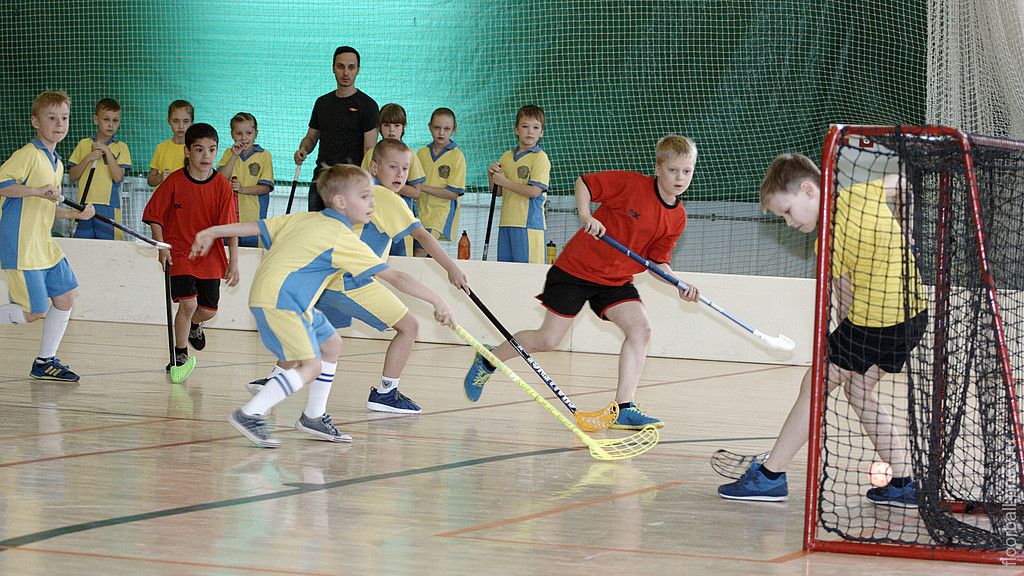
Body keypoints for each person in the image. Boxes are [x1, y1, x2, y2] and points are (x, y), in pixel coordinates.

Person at [190, 164, 455, 447]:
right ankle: (251, 413)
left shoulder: (305, 219)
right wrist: (437, 299)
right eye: (365, 197)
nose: (372, 203)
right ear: (340, 202)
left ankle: (313, 417)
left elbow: (256, 226)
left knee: (331, 344)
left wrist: (212, 231)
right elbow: (397, 277)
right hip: (282, 300)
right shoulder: (341, 237)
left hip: (282, 297)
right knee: (312, 366)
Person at [717, 153, 927, 506]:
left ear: (807, 190)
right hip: (914, 313)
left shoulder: (827, 240)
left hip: (875, 321)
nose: (787, 223)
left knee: (815, 383)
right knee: (858, 390)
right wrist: (909, 237)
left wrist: (840, 347)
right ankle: (904, 483)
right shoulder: (864, 193)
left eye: (786, 211)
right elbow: (904, 185)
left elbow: (844, 303)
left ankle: (770, 476)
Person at [462, 134, 701, 429]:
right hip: (576, 270)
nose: (680, 178)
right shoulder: (631, 184)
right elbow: (585, 183)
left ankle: (624, 407)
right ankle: (488, 360)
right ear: (658, 168)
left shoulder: (677, 218)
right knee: (547, 340)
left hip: (615, 280)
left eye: (686, 171)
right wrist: (586, 215)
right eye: (673, 170)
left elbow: (657, 263)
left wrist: (679, 284)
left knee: (641, 329)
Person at [248, 138, 469, 414]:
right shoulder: (388, 198)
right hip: (353, 282)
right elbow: (422, 235)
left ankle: (274, 379)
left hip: (328, 281)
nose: (400, 174)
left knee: (319, 334)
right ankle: (386, 393)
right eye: (393, 167)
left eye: (405, 168)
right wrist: (451, 267)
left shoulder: (362, 194)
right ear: (374, 167)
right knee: (410, 326)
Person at [0, 91, 95, 382]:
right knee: (34, 311)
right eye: (51, 117)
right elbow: (3, 184)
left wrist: (74, 215)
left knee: (65, 298)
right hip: (22, 244)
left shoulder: (56, 162)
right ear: (35, 121)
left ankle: (44, 362)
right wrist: (36, 190)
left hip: (44, 244)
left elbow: (46, 210)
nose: (59, 123)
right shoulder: (28, 155)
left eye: (64, 117)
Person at [143, 123, 239, 371]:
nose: (206, 156)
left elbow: (231, 228)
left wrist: (234, 262)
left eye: (212, 150)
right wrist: (162, 246)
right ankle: (180, 353)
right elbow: (154, 215)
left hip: (210, 257)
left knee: (207, 310)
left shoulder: (222, 187)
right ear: (187, 151)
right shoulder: (174, 181)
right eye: (199, 150)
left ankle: (196, 326)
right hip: (180, 253)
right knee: (188, 304)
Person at [295, 46, 379, 212]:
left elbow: (369, 150)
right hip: (322, 180)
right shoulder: (322, 103)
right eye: (341, 66)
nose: (346, 72)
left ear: (358, 70)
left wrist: (363, 187)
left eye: (351, 67)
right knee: (317, 229)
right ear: (333, 68)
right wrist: (302, 149)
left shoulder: (368, 106)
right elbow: (312, 137)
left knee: (346, 233)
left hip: (351, 182)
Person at [360, 103, 426, 256]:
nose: (391, 130)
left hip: (400, 222)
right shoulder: (371, 154)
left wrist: (390, 183)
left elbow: (416, 192)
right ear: (379, 127)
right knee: (372, 260)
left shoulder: (410, 154)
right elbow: (361, 187)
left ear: (403, 127)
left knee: (400, 264)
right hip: (373, 219)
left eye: (396, 125)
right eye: (386, 125)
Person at [489, 104, 551, 263]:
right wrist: (492, 177)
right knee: (506, 274)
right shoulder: (506, 156)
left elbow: (534, 192)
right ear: (516, 130)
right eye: (525, 126)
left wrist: (504, 181)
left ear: (541, 132)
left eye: (536, 127)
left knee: (527, 277)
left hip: (529, 226)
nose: (530, 131)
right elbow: (498, 192)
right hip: (506, 224)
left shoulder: (540, 158)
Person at [67, 98, 132, 240]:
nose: (111, 125)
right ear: (96, 120)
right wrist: (88, 158)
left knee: (110, 251)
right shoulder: (84, 144)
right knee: (82, 249)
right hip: (84, 205)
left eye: (115, 120)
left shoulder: (121, 147)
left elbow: (117, 177)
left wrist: (107, 151)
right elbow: (72, 176)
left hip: (108, 206)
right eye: (106, 119)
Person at [216, 112, 274, 247]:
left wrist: (242, 189)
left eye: (248, 133)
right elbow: (221, 179)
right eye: (239, 134)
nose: (244, 138)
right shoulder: (228, 154)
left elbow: (266, 187)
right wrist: (234, 156)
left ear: (256, 133)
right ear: (232, 134)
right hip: (228, 220)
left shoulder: (264, 156)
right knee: (229, 259)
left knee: (251, 260)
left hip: (253, 222)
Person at [415, 107, 465, 256]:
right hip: (418, 214)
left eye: (446, 128)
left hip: (439, 216)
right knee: (420, 257)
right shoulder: (422, 152)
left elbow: (453, 193)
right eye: (437, 128)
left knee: (419, 254)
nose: (441, 133)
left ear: (453, 130)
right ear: (430, 127)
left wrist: (422, 188)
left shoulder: (457, 157)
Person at [148, 100, 193, 190]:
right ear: (169, 121)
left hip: (183, 200)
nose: (181, 126)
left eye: (185, 121)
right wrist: (160, 177)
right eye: (176, 121)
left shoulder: (195, 149)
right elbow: (150, 180)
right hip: (162, 200)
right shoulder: (161, 148)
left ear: (192, 122)